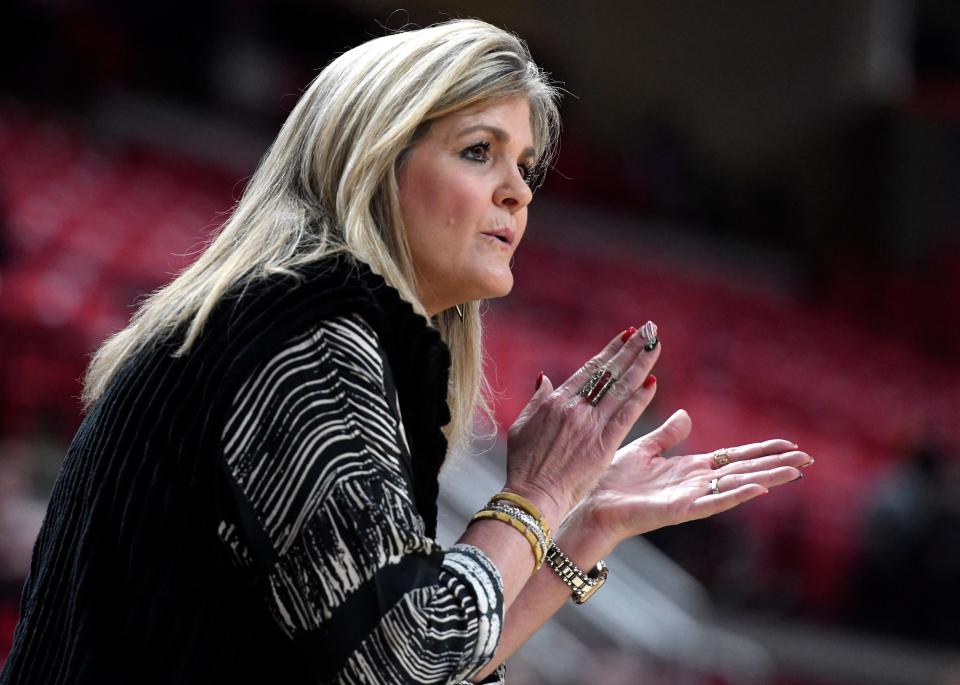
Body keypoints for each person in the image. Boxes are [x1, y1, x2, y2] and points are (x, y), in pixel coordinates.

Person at [0, 19, 813, 685]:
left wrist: (582, 524)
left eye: (524, 165)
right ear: (373, 165)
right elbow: (409, 653)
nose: (519, 191)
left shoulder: (297, 323)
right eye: (478, 151)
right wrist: (536, 492)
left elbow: (407, 668)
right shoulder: (302, 331)